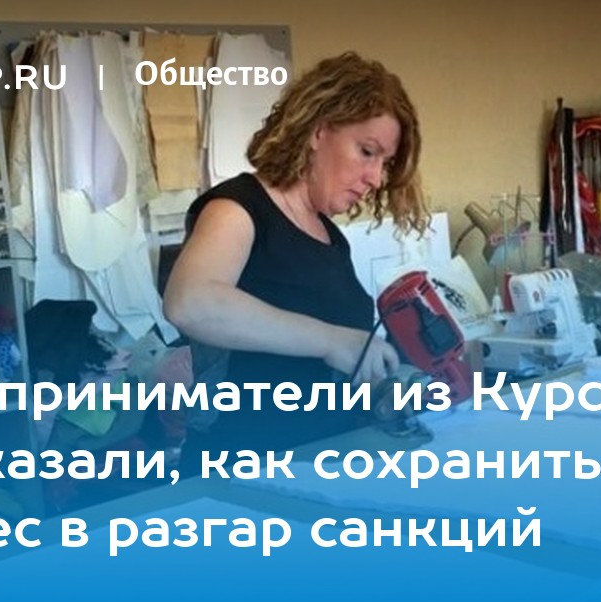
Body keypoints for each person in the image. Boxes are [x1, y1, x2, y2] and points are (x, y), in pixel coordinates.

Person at [164, 52, 429, 473]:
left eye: (385, 163)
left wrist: (381, 389)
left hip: (320, 469)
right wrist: (334, 341)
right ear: (318, 131)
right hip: (243, 472)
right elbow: (190, 304)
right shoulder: (237, 209)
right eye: (367, 151)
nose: (376, 177)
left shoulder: (330, 238)